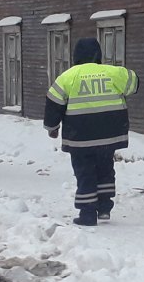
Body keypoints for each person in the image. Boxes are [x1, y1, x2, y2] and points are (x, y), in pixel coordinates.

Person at [43, 37, 138, 226]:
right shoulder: (113, 73)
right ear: (99, 55)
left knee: (85, 172)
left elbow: (53, 103)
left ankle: (87, 214)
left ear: (76, 56)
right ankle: (104, 207)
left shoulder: (68, 76)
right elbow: (134, 84)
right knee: (105, 169)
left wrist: (52, 127)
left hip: (81, 137)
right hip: (109, 134)